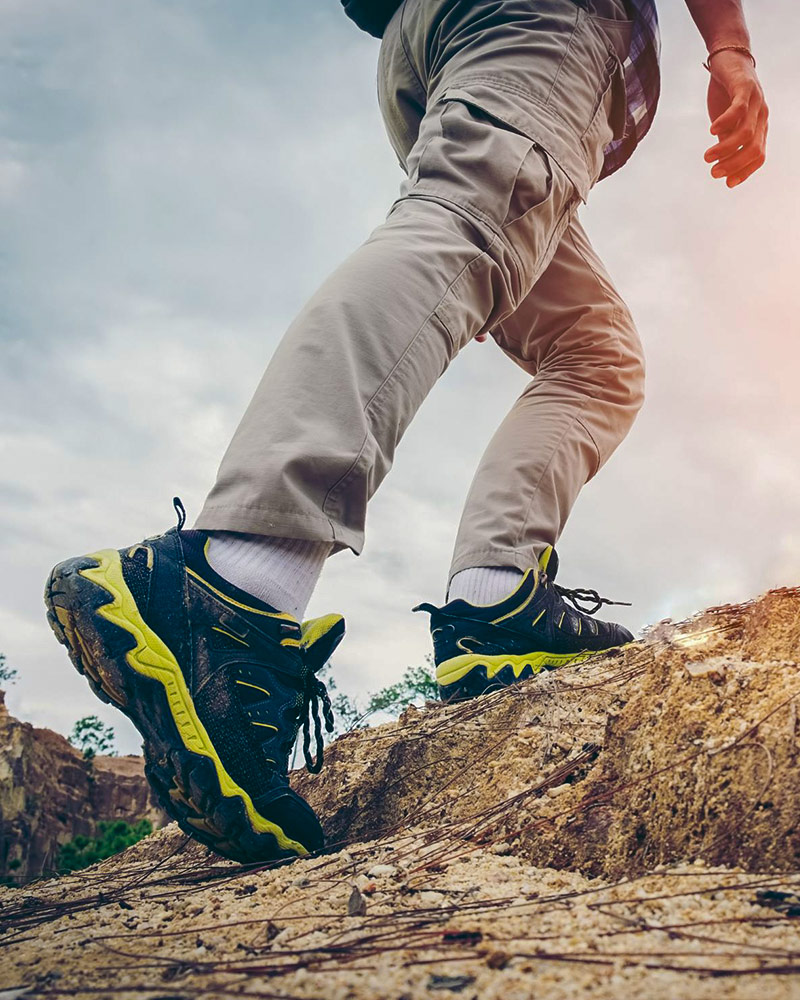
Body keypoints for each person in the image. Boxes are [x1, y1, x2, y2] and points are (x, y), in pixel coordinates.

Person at [44, 0, 768, 863]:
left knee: (596, 358)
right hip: (542, 21)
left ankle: (492, 605)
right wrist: (731, 46)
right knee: (466, 219)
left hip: (431, 44)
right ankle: (233, 587)